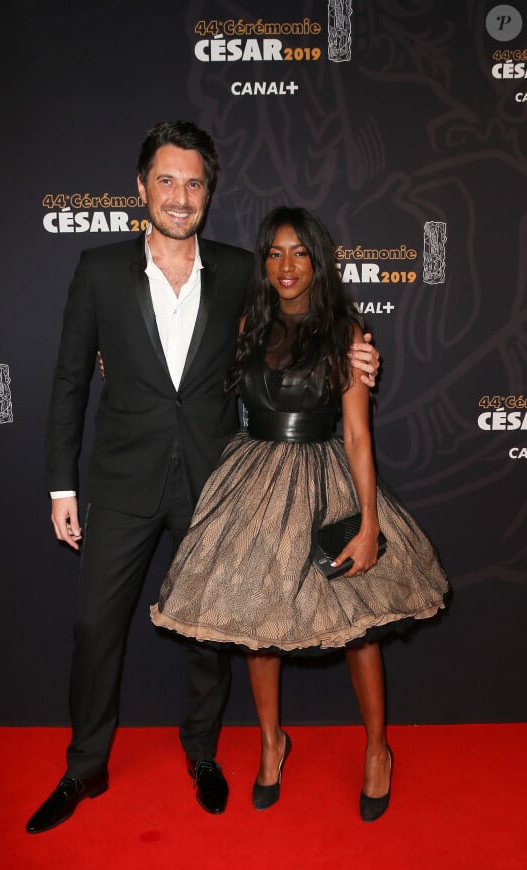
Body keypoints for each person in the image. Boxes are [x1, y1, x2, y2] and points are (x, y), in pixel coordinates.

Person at [26, 124, 380, 833]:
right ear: (141, 188)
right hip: (123, 482)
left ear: (208, 193)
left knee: (210, 631)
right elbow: (70, 382)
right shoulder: (98, 269)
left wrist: (355, 347)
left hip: (216, 482)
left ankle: (203, 753)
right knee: (96, 627)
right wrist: (61, 486)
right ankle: (84, 765)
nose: (180, 197)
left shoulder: (237, 271)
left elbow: (298, 312)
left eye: (194, 183)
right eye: (167, 180)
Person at [151, 206, 449, 821]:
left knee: (358, 627)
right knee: (263, 628)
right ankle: (270, 742)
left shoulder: (345, 333)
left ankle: (376, 749)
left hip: (325, 479)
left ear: (318, 260)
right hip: (254, 482)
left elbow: (359, 437)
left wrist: (369, 524)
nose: (287, 266)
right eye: (275, 253)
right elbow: (184, 370)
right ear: (264, 263)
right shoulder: (246, 326)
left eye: (299, 253)